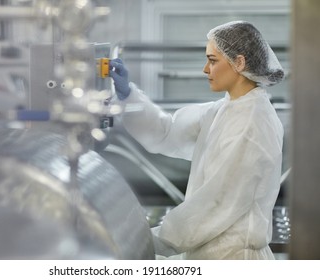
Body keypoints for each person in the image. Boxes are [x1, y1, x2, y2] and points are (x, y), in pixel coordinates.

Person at [109, 21, 285, 260]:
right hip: (210, 252)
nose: (205, 69)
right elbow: (167, 131)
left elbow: (217, 203)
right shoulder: (225, 109)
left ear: (239, 63)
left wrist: (149, 241)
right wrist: (127, 95)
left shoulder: (252, 124)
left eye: (213, 60)